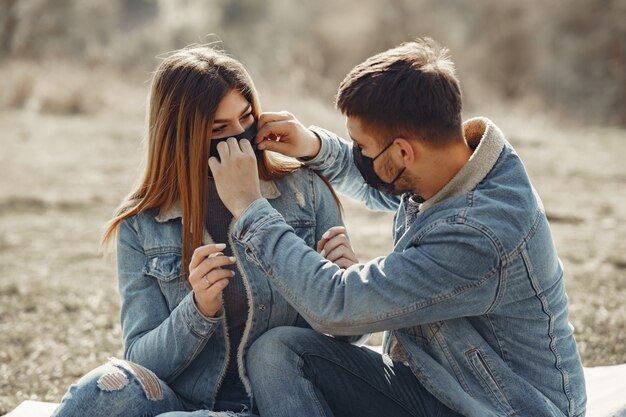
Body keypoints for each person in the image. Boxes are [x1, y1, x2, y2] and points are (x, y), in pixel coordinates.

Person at [209, 38, 587, 417]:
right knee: (278, 352)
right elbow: (383, 187)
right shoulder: (460, 165)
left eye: (362, 147)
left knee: (284, 350)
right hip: (442, 384)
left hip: (503, 408)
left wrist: (249, 207)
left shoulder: (479, 234)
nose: (357, 155)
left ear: (404, 152)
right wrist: (312, 146)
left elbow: (337, 306)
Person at [50, 46, 354, 417]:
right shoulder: (141, 223)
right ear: (180, 136)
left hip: (280, 403)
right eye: (219, 129)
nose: (241, 137)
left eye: (246, 118)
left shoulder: (306, 191)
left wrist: (346, 284)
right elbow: (142, 362)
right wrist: (197, 310)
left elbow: (347, 339)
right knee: (100, 391)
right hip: (185, 402)